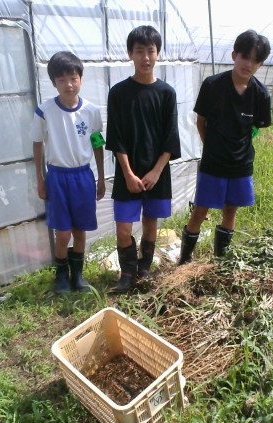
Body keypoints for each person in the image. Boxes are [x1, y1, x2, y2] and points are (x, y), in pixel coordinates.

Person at [178, 30, 271, 265]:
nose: (248, 64)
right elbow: (201, 121)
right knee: (200, 210)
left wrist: (241, 145)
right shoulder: (213, 85)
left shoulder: (261, 94)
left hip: (240, 164)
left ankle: (221, 261)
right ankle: (184, 259)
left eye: (255, 60)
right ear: (234, 55)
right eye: (244, 57)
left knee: (231, 210)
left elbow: (256, 127)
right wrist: (211, 146)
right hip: (213, 162)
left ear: (260, 64)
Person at [106, 25, 181, 294]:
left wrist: (157, 171)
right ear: (130, 54)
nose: (146, 57)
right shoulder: (118, 93)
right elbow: (116, 137)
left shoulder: (166, 93)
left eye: (151, 51)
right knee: (123, 228)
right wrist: (127, 173)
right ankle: (127, 274)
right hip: (128, 171)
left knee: (151, 223)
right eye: (140, 51)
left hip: (156, 172)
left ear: (158, 53)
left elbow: (171, 137)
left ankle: (144, 271)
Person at [29, 51, 106, 294]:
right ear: (54, 82)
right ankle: (61, 275)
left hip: (83, 176)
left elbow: (97, 142)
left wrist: (101, 177)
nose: (69, 85)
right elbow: (37, 144)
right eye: (62, 80)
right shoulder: (45, 111)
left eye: (73, 78)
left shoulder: (91, 111)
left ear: (80, 79)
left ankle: (78, 277)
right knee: (62, 233)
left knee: (80, 230)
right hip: (57, 177)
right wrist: (40, 179)